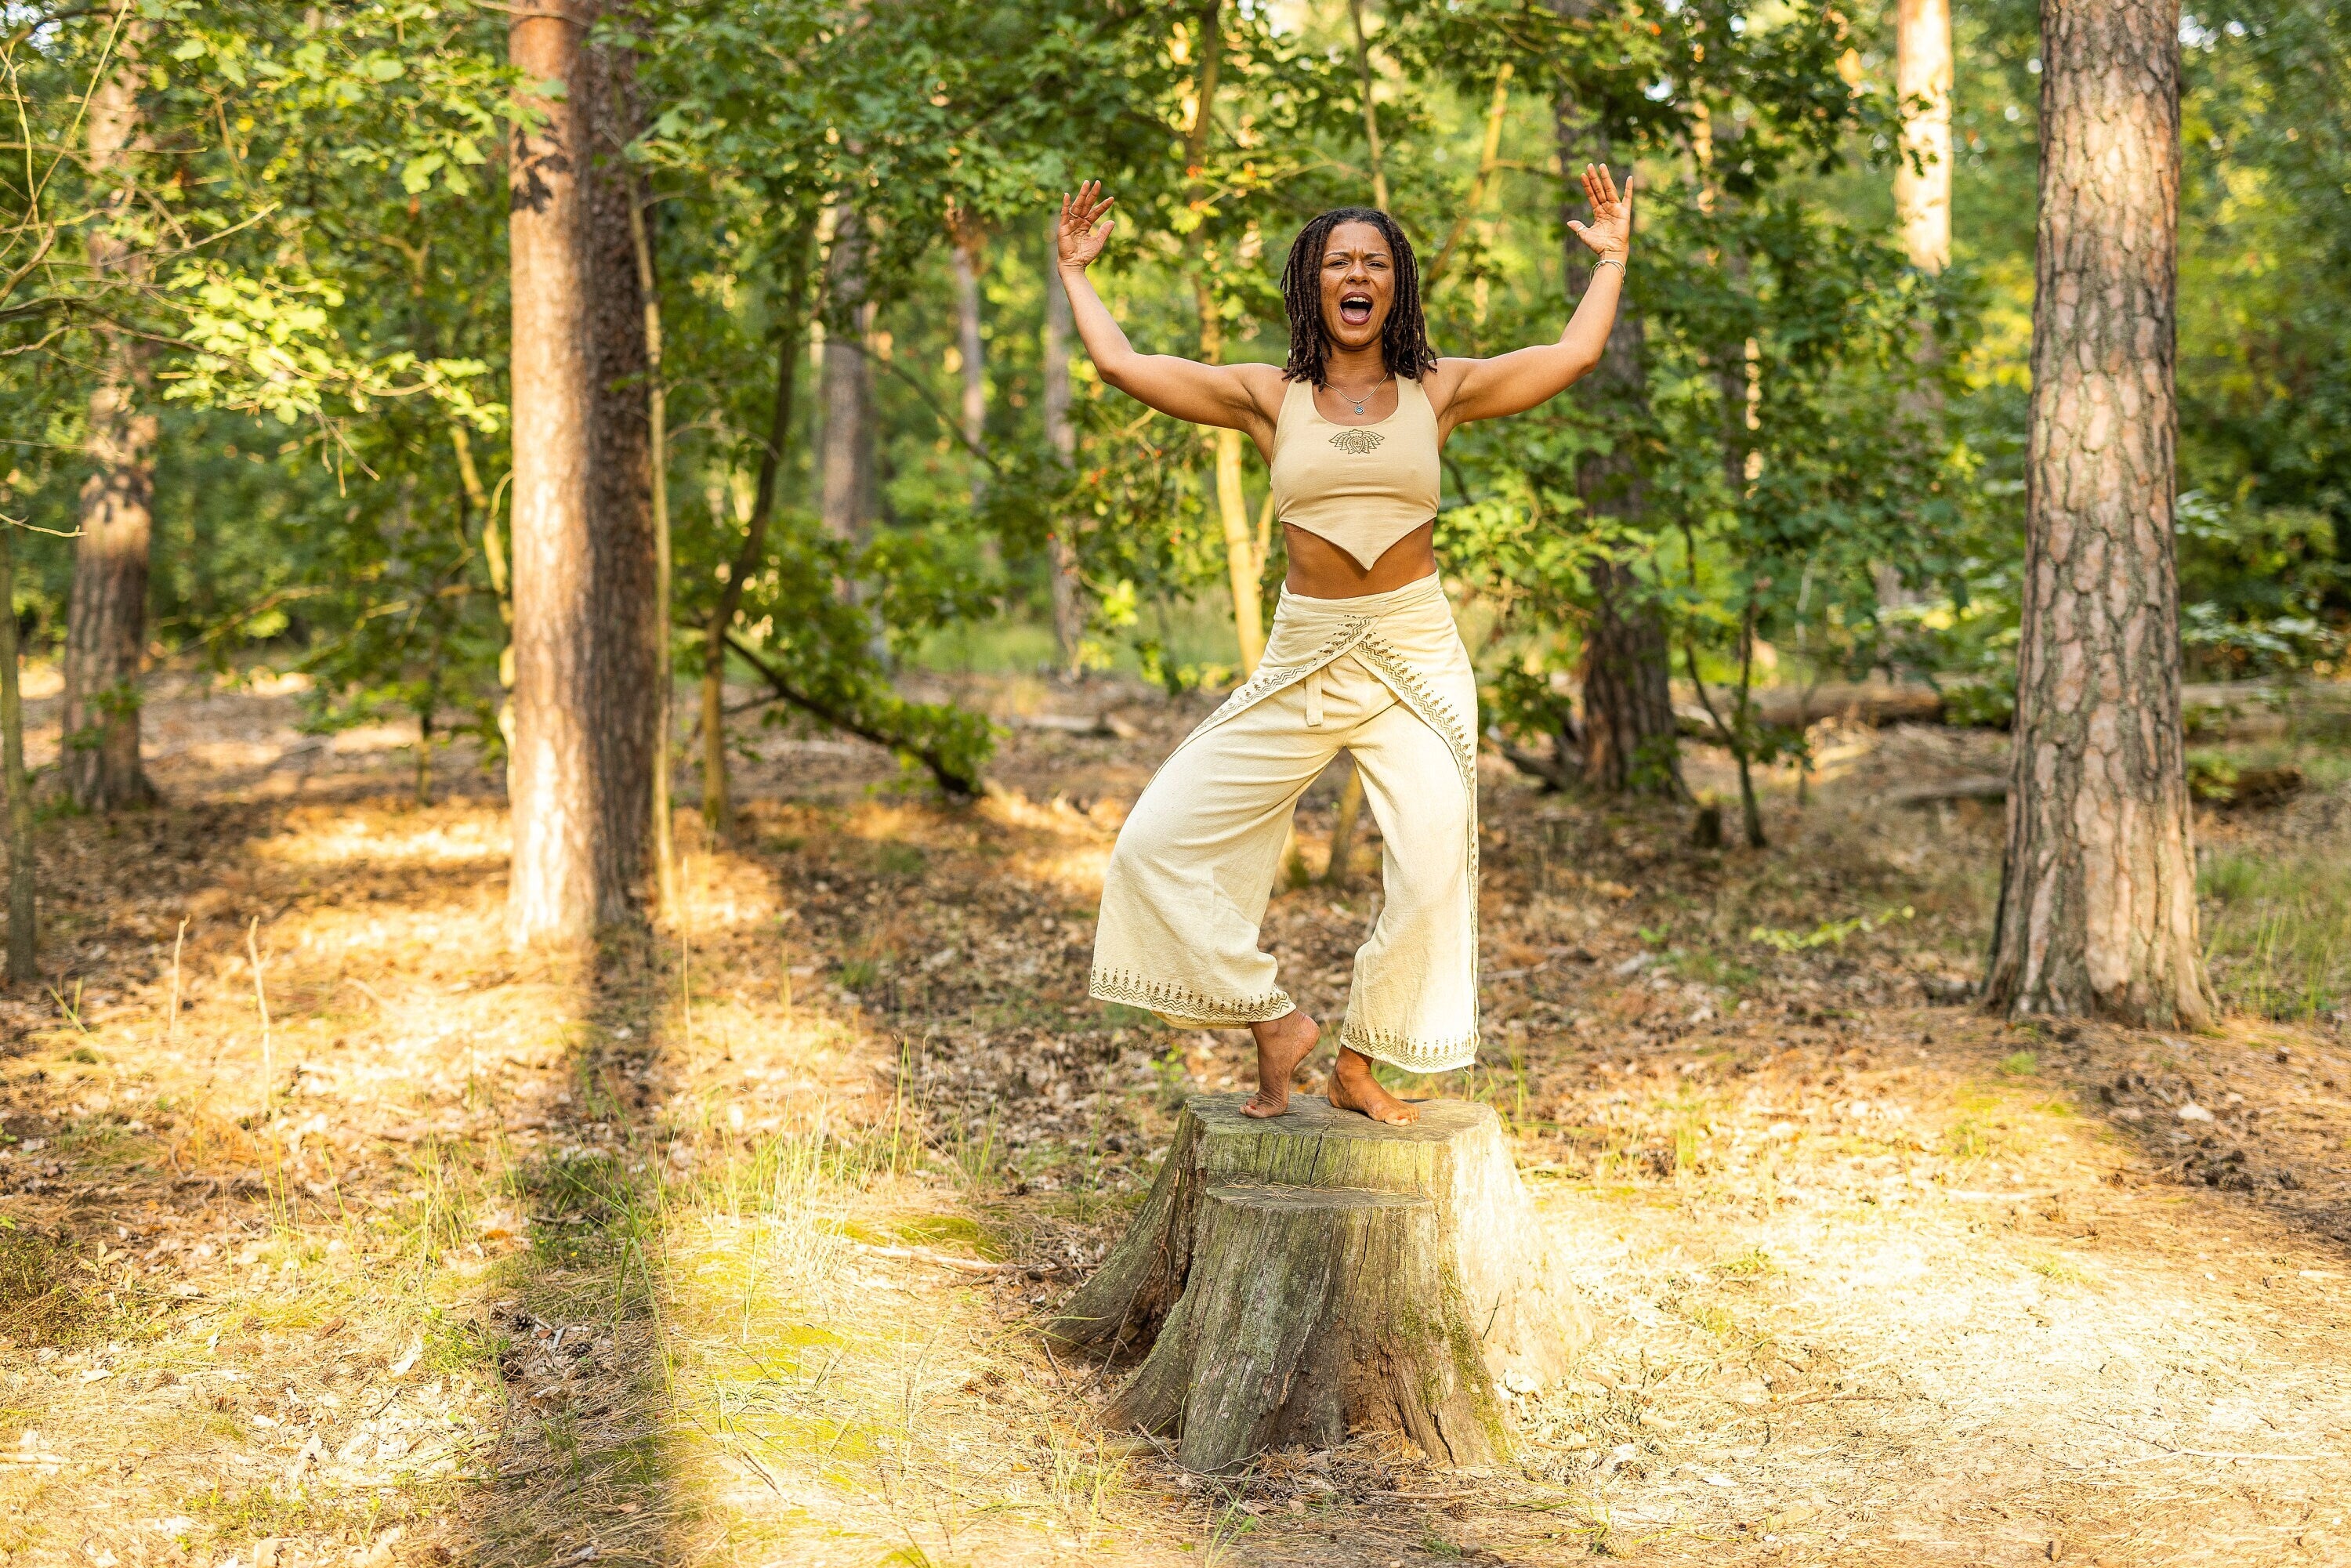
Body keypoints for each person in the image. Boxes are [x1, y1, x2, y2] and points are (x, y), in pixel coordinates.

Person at [1060, 168, 1634, 1125]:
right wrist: (1078, 273)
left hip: (1415, 652)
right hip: (1307, 652)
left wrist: (1611, 257)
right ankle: (1274, 1022)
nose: (1357, 274)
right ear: (1312, 284)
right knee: (1155, 844)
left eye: (1375, 261)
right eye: (1339, 262)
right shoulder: (1266, 394)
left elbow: (1573, 355)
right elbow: (1125, 367)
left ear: (1397, 285)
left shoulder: (1438, 389)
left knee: (1432, 865)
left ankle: (1361, 1062)